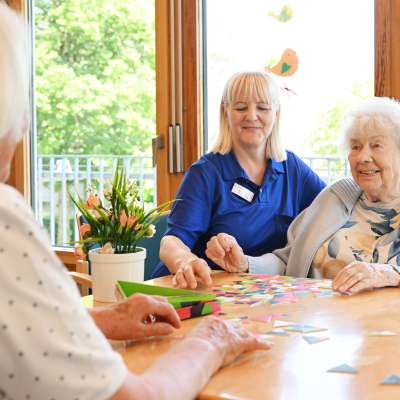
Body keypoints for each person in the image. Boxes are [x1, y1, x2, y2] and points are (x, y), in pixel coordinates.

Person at [0, 5, 272, 400]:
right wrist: (211, 340)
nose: (26, 123)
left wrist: (105, 319)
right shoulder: (6, 218)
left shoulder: (292, 169)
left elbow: (23, 326)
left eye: (263, 107)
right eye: (21, 101)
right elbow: (137, 397)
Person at [206, 96, 400, 294]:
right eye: (356, 147)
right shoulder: (337, 195)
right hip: (311, 319)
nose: (362, 157)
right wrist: (245, 264)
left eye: (377, 146)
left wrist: (390, 273)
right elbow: (286, 262)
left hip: (382, 322)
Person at [152, 71, 326, 289]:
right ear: (226, 113)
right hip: (200, 290)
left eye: (262, 108)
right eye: (241, 108)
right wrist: (185, 260)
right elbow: (171, 242)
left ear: (276, 113)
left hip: (260, 294)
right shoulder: (205, 173)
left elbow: (332, 208)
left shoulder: (293, 168)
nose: (252, 116)